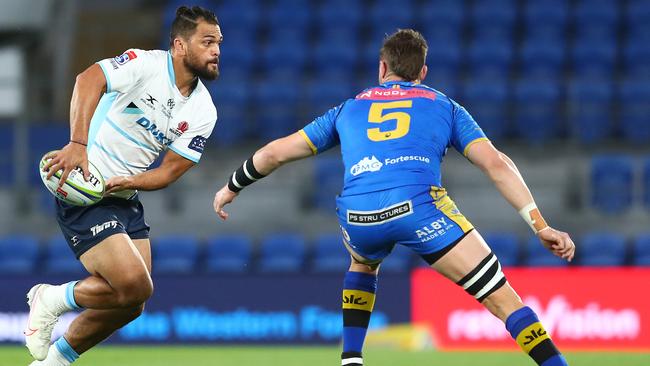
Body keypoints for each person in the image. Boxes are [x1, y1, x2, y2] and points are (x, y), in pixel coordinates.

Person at [213, 29, 576, 366]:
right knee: (500, 296)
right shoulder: (445, 106)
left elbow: (276, 152)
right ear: (423, 71)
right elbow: (496, 164)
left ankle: (351, 359)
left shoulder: (348, 108)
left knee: (363, 263)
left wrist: (231, 186)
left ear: (382, 68)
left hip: (358, 217)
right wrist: (539, 224)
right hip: (417, 210)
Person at [26, 6, 221, 365]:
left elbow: (170, 171)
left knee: (133, 304)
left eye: (218, 43)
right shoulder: (145, 64)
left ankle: (52, 362)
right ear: (179, 45)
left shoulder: (203, 110)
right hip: (85, 188)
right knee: (136, 285)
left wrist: (130, 181)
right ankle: (52, 299)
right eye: (207, 42)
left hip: (124, 197)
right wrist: (77, 144)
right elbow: (87, 79)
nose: (216, 51)